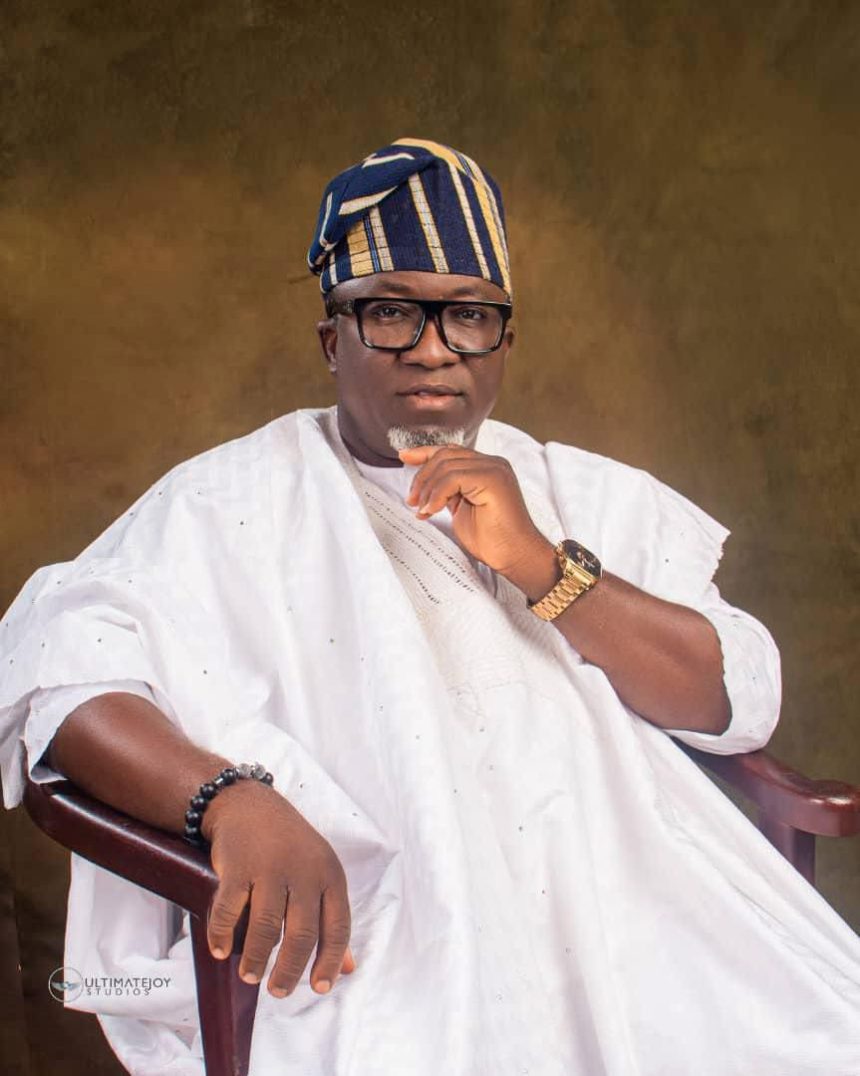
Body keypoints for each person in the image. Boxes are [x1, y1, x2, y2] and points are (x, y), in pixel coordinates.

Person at [1, 138, 858, 1076]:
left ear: (504, 342)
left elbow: (734, 700)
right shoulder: (227, 502)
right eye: (392, 312)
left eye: (470, 316)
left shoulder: (584, 493)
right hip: (385, 954)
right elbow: (60, 671)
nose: (434, 349)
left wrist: (541, 564)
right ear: (333, 341)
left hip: (650, 928)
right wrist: (226, 799)